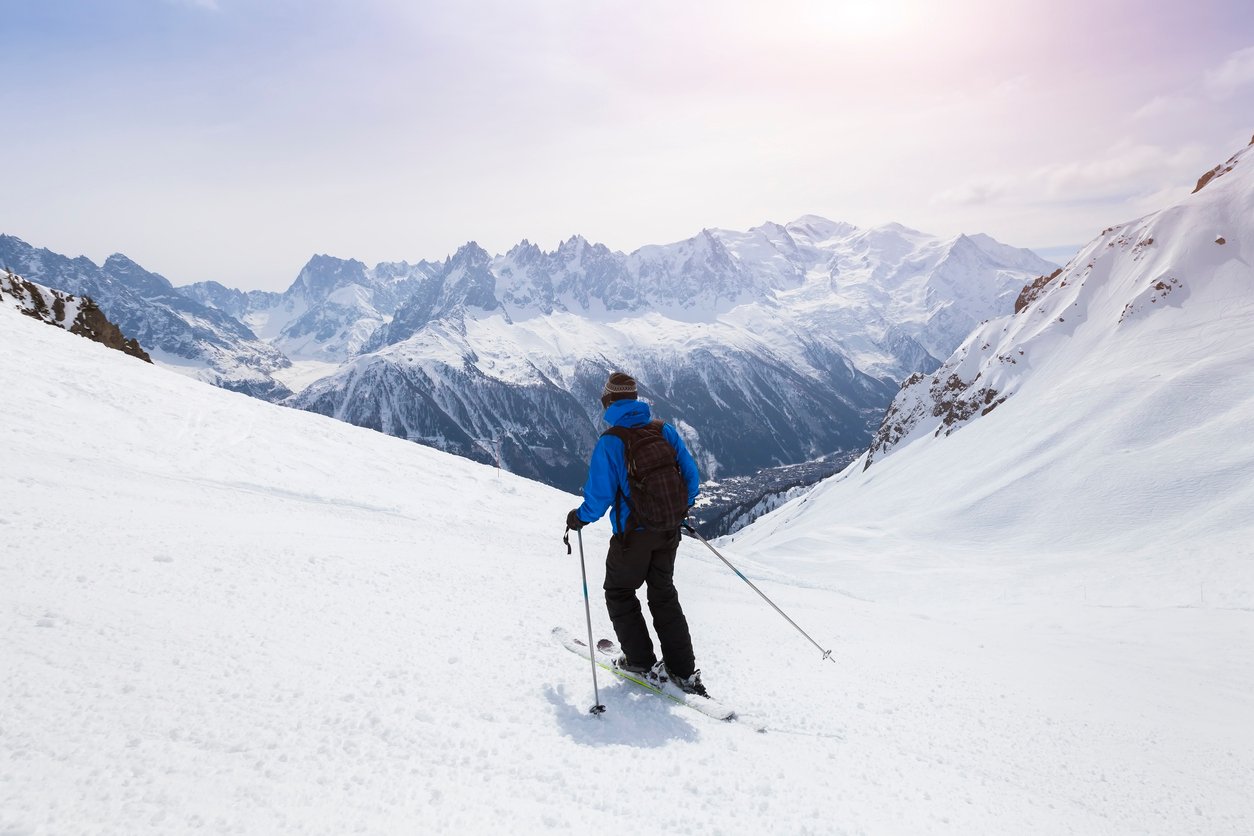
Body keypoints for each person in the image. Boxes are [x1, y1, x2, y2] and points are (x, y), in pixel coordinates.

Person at [564, 371, 707, 696]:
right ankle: (683, 672)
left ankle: (641, 662)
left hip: (633, 536)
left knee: (619, 592)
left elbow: (599, 499)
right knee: (663, 594)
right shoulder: (662, 430)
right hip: (669, 530)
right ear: (634, 398)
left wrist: (578, 518)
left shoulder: (611, 442)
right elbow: (691, 477)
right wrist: (677, 509)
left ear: (609, 401)